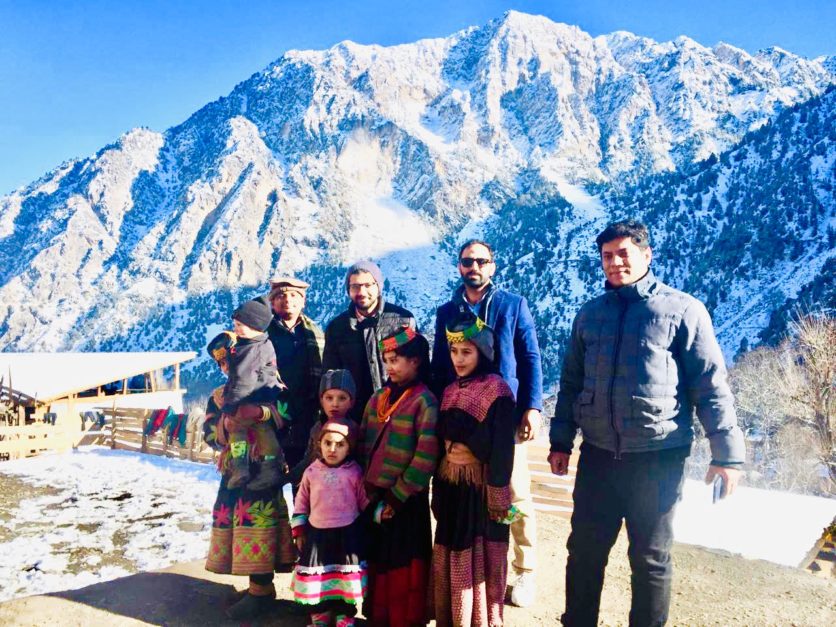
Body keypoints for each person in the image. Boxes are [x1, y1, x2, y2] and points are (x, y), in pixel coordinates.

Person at [548, 220, 745, 627]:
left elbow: (710, 385)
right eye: (607, 256)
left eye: (624, 253)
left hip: (658, 458)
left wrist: (727, 455)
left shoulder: (682, 310)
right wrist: (561, 441)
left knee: (650, 560)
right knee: (584, 552)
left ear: (646, 255)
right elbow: (570, 384)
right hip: (599, 455)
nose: (615, 262)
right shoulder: (590, 315)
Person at [431, 240, 543, 607]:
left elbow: (529, 357)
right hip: (461, 416)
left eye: (481, 261)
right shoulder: (446, 311)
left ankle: (524, 571)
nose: (473, 266)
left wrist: (532, 406)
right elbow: (439, 365)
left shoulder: (512, 305)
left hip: (504, 415)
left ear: (492, 266)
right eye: (467, 261)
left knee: (514, 493)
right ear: (459, 267)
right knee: (461, 492)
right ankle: (470, 573)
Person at [202, 331, 296, 621]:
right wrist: (224, 426)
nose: (228, 369)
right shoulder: (218, 397)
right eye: (224, 365)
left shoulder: (273, 387)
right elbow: (209, 435)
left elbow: (288, 417)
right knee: (239, 527)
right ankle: (256, 586)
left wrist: (261, 414)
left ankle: (261, 590)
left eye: (233, 361)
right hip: (233, 471)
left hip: (263, 472)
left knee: (259, 525)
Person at [430, 315, 516, 627]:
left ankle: (477, 620)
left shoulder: (498, 392)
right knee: (450, 552)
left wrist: (498, 497)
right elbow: (442, 445)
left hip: (479, 494)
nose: (459, 359)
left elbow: (502, 451)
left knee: (477, 560)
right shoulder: (450, 391)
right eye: (454, 352)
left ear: (483, 353)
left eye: (467, 352)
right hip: (452, 487)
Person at [360, 327, 439, 627]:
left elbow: (425, 455)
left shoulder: (425, 402)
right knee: (378, 559)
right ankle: (378, 616)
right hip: (375, 495)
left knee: (404, 564)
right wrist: (366, 489)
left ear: (416, 361)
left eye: (396, 360)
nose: (389, 366)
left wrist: (399, 494)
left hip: (406, 502)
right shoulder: (378, 398)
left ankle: (404, 620)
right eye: (386, 360)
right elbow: (363, 445)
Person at [291, 416, 369, 627]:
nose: (332, 449)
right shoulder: (311, 473)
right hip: (318, 535)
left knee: (345, 581)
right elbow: (301, 504)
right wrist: (299, 531)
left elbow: (364, 502)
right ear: (319, 445)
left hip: (347, 537)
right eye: (327, 443)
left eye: (340, 444)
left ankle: (345, 615)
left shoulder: (354, 473)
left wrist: (378, 512)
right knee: (321, 580)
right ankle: (321, 615)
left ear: (349, 448)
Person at [323, 260, 416, 423]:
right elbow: (330, 376)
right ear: (348, 290)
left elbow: (416, 366)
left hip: (398, 411)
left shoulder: (403, 320)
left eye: (368, 285)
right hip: (355, 417)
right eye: (355, 286)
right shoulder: (337, 328)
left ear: (378, 286)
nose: (362, 291)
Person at [221, 299, 287, 490]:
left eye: (240, 325)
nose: (236, 329)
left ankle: (241, 467)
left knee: (236, 426)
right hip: (264, 397)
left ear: (255, 326)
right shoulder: (258, 343)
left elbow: (244, 381)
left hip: (255, 398)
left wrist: (230, 406)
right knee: (262, 430)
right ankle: (268, 467)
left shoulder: (252, 350)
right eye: (235, 325)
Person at [262, 276, 325, 471]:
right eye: (280, 295)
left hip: (306, 419)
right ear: (272, 302)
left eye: (294, 295)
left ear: (303, 301)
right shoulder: (262, 334)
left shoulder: (316, 334)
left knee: (305, 484)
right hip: (271, 419)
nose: (287, 299)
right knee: (268, 483)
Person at [286, 369, 357, 486]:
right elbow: (308, 460)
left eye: (342, 398)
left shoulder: (354, 430)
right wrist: (286, 478)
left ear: (351, 402)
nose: (335, 404)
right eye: (329, 398)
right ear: (321, 400)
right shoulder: (317, 429)